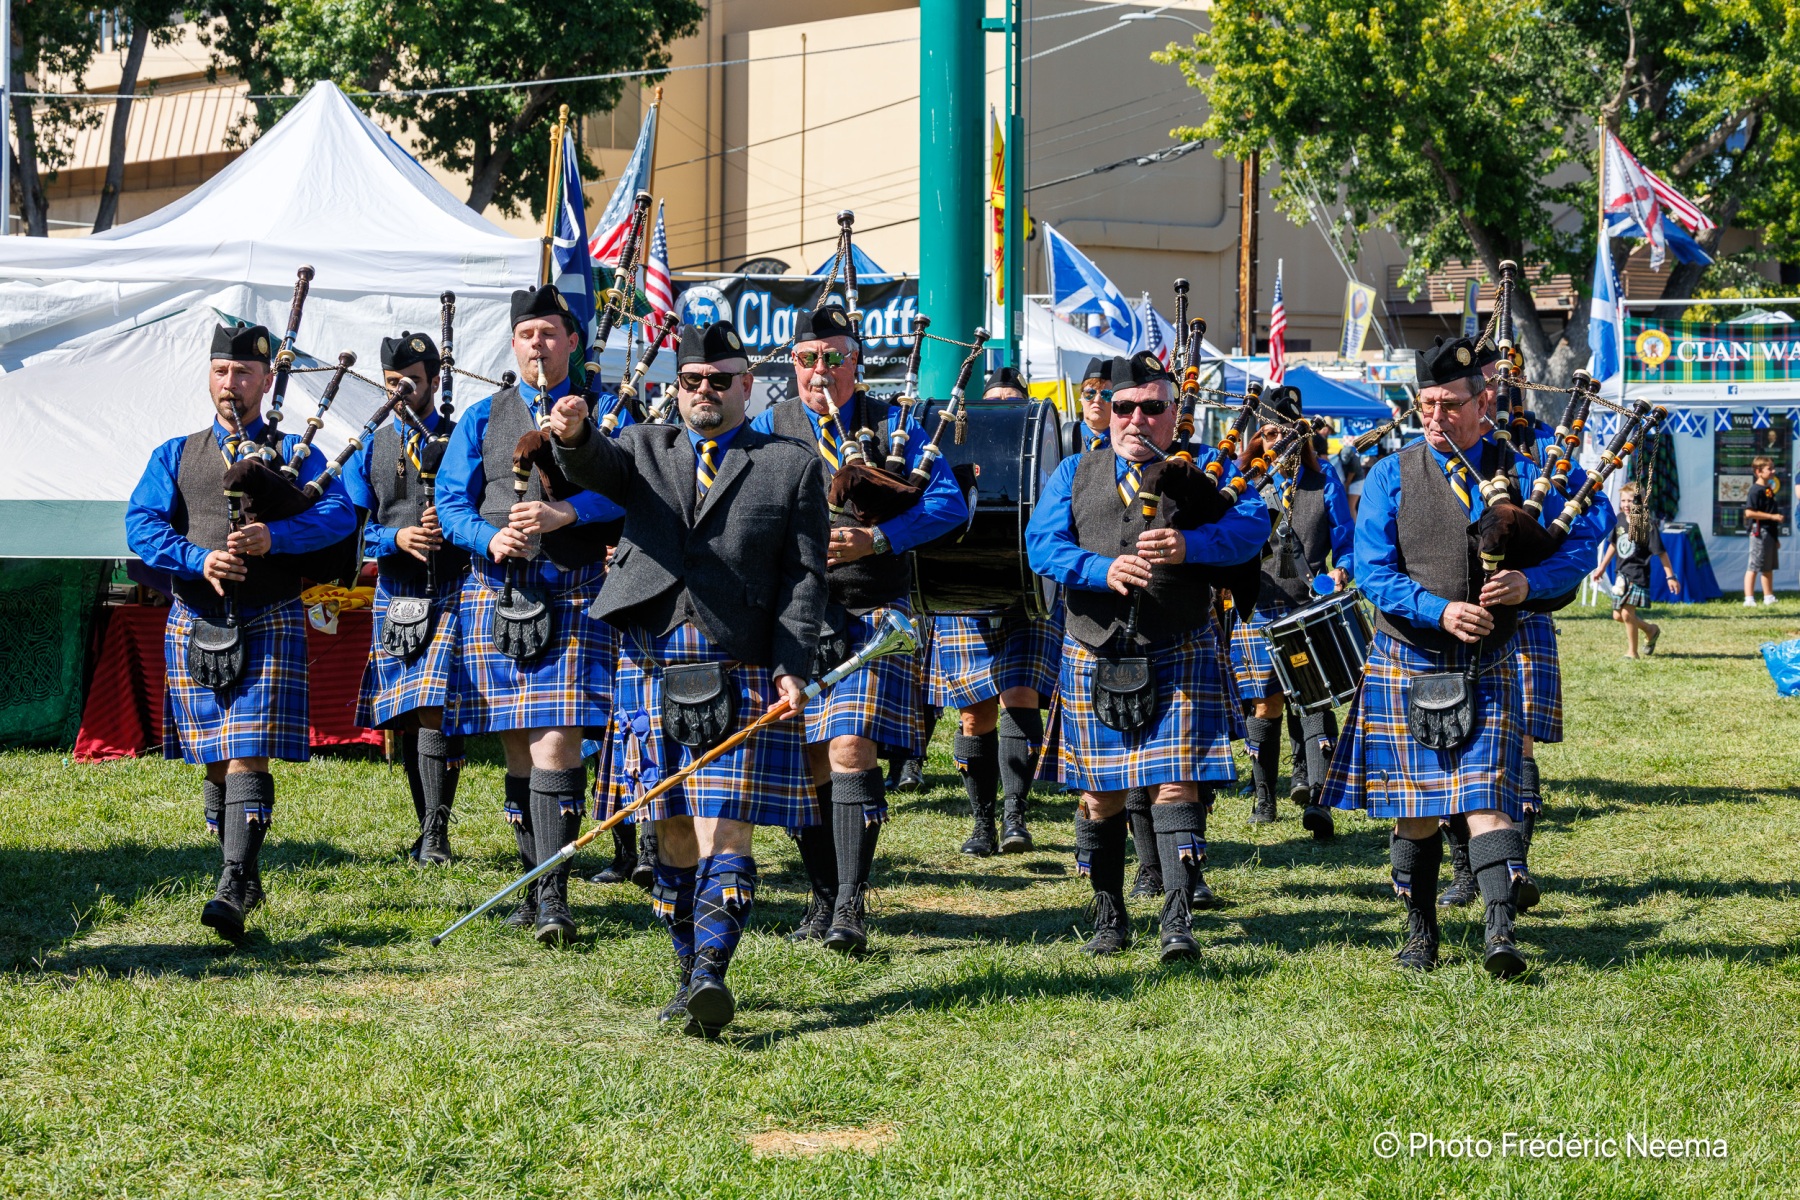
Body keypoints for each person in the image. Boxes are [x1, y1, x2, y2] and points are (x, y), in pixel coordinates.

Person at [544, 319, 828, 1038]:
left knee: (724, 823)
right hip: (650, 655)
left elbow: (804, 577)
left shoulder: (789, 464)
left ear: (747, 386)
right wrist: (573, 435)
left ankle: (711, 974)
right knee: (668, 827)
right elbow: (595, 468)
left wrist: (793, 667)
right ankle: (686, 972)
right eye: (693, 380)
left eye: (720, 381)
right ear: (678, 388)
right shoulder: (644, 446)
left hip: (742, 659)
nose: (706, 391)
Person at [1321, 336, 1600, 978]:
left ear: (1484, 402)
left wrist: (1533, 583)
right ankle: (1421, 936)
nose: (1435, 416)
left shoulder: (1526, 471)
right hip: (1408, 656)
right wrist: (1439, 610)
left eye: (1449, 404)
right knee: (1415, 811)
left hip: (1491, 660)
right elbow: (1372, 570)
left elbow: (1583, 542)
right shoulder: (1391, 474)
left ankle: (1500, 933)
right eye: (1426, 404)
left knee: (1488, 798)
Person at [1026, 351, 1268, 961]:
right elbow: (1041, 545)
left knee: (1176, 785)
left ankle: (1177, 919)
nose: (1136, 419)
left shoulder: (1207, 467)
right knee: (1100, 794)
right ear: (1108, 410)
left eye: (1152, 407)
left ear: (1174, 411)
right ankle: (1110, 917)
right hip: (1095, 647)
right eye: (1124, 407)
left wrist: (1191, 545)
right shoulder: (1076, 471)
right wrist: (1100, 569)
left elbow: (1252, 528)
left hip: (1179, 641)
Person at [125, 322, 357, 941]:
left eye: (245, 373)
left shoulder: (299, 452)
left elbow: (339, 514)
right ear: (210, 376)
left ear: (266, 380)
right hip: (196, 616)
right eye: (222, 372)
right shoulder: (176, 454)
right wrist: (197, 558)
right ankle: (244, 867)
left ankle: (231, 883)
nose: (231, 383)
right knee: (213, 758)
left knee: (246, 747)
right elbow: (141, 525)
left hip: (270, 612)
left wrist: (276, 536)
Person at [749, 304, 965, 954]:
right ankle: (822, 896)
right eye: (808, 359)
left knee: (849, 747)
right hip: (794, 615)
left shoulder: (895, 424)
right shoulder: (769, 428)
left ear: (856, 363)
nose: (821, 370)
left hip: (872, 610)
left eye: (835, 358)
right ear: (793, 364)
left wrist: (879, 538)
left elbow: (949, 503)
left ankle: (849, 905)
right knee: (809, 759)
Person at [435, 284, 625, 947]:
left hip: (573, 587)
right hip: (498, 589)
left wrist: (568, 512)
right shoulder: (482, 417)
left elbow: (633, 487)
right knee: (518, 744)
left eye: (548, 333)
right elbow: (450, 501)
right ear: (514, 344)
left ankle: (554, 896)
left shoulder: (606, 411)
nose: (537, 345)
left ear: (572, 341)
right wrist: (487, 537)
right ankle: (530, 883)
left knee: (556, 743)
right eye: (526, 335)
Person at [345, 331, 471, 864]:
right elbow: (350, 530)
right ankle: (426, 827)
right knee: (409, 712)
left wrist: (454, 525)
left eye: (412, 382)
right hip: (396, 591)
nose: (401, 392)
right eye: (392, 382)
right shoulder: (368, 446)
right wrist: (395, 538)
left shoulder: (463, 438)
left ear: (435, 381)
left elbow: (484, 511)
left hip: (455, 588)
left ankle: (437, 836)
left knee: (436, 709)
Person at [927, 366, 1061, 856]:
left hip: (1028, 589)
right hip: (968, 586)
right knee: (973, 715)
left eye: (1012, 400)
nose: (1002, 408)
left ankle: (1014, 817)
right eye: (994, 399)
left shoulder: (1043, 450)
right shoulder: (954, 444)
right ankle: (981, 822)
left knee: (1019, 695)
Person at [1227, 385, 1354, 837]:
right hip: (1257, 606)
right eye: (1267, 433)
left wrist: (1343, 569)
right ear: (1257, 439)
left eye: (1285, 432)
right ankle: (1264, 798)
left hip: (1309, 606)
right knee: (1265, 703)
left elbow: (1347, 542)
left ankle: (1319, 799)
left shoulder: (1324, 480)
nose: (1277, 440)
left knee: (1316, 698)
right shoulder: (1244, 485)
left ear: (1302, 435)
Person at [1593, 481, 1678, 658]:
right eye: (1623, 501)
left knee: (1627, 613)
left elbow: (1661, 553)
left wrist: (1670, 577)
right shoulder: (1619, 520)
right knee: (1618, 616)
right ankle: (1650, 629)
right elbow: (1614, 545)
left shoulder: (1647, 525)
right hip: (1621, 576)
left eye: (1630, 501)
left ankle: (1632, 652)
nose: (1626, 505)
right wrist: (1602, 567)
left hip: (1638, 575)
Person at [1743, 456, 1781, 605]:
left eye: (1773, 468)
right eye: (1769, 469)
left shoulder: (1768, 489)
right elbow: (1749, 513)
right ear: (1758, 472)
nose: (1773, 471)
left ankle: (1768, 596)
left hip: (1769, 532)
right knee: (1754, 566)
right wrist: (1772, 517)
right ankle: (1749, 598)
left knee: (1768, 566)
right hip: (1760, 532)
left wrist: (1775, 538)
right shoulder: (1755, 490)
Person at [1063, 356, 1114, 454]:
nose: (1097, 400)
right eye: (1090, 393)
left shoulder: (1125, 442)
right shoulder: (1063, 437)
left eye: (1106, 394)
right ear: (1081, 397)